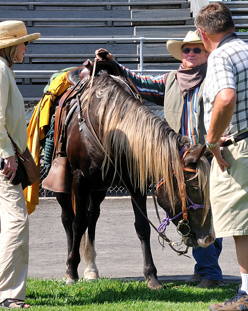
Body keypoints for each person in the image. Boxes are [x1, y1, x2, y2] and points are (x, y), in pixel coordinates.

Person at [95, 30, 223, 288]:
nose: (190, 54)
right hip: (178, 157)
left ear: (207, 53)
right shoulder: (172, 80)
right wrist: (116, 66)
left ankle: (210, 272)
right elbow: (142, 83)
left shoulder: (216, 79)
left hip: (206, 154)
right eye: (186, 50)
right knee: (188, 209)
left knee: (206, 210)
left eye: (196, 50)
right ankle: (202, 268)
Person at [195, 2, 248, 311]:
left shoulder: (220, 57)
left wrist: (212, 141)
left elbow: (226, 97)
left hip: (239, 145)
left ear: (203, 34)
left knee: (242, 224)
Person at [0, 20, 40, 309]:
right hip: (3, 161)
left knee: (4, 225)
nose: (27, 48)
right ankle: (10, 294)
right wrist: (8, 156)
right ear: (11, 45)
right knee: (16, 221)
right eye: (24, 43)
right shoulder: (0, 70)